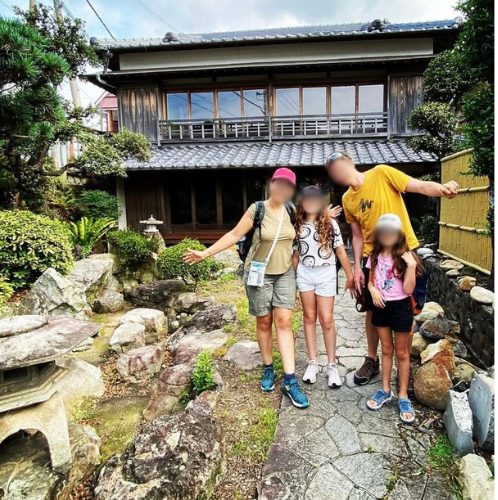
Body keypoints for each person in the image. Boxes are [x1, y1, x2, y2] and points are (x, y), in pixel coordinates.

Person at [324, 151, 459, 386]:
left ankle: (402, 364)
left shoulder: (381, 173)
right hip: (373, 258)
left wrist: (442, 189)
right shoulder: (347, 199)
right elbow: (357, 235)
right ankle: (372, 359)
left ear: (350, 162)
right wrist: (357, 268)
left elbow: (418, 186)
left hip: (403, 252)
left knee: (407, 306)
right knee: (372, 309)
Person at [183, 168, 310, 408]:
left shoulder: (292, 210)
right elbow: (234, 234)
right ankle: (269, 367)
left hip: (284, 273)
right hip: (258, 273)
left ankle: (290, 380)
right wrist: (205, 253)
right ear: (271, 184)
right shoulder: (257, 209)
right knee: (264, 321)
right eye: (279, 183)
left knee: (284, 322)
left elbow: (304, 231)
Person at [292, 185, 354, 388]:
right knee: (309, 317)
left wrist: (350, 276)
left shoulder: (330, 224)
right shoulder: (297, 224)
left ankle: (331, 365)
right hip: (305, 273)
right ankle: (313, 362)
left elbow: (341, 251)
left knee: (326, 319)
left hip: (326, 272)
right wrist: (295, 279)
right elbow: (295, 255)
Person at [365, 214, 422, 423]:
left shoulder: (406, 257)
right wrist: (373, 291)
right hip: (381, 307)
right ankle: (385, 389)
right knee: (386, 349)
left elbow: (408, 290)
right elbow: (370, 281)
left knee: (402, 352)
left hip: (401, 307)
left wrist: (411, 266)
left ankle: (403, 395)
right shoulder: (374, 255)